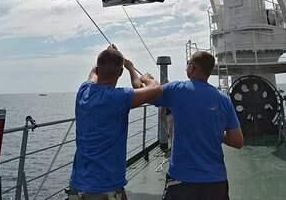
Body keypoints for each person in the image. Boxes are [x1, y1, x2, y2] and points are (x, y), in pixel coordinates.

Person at [68, 45, 162, 200]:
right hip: (107, 185)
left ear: (98, 68)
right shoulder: (120, 98)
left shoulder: (84, 90)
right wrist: (134, 70)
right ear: (120, 73)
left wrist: (110, 54)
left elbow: (93, 72)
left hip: (78, 185)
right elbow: (156, 88)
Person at [153, 51, 244, 200]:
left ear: (192, 67)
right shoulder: (224, 99)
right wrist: (215, 132)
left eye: (188, 64)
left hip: (182, 180)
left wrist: (134, 71)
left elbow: (145, 93)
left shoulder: (177, 89)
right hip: (216, 182)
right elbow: (237, 141)